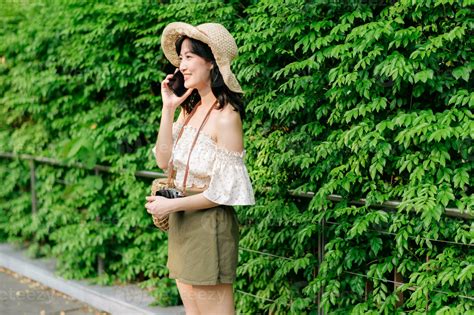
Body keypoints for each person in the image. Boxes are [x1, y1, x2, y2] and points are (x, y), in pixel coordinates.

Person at [145, 22, 255, 315]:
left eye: (189, 57)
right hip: (183, 221)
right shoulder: (189, 110)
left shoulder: (227, 116)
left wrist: (171, 206)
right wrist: (168, 108)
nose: (182, 66)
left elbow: (223, 192)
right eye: (180, 58)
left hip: (209, 225)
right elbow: (163, 161)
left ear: (212, 62)